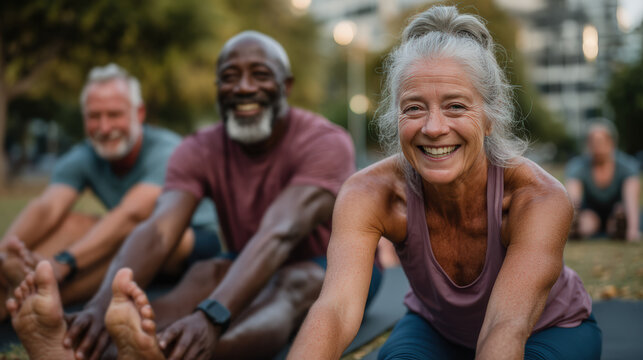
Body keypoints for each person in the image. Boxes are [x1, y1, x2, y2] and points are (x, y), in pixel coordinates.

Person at [8, 31, 377, 360]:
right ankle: (91, 345)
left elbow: (280, 232)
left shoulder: (326, 142)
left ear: (287, 85)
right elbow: (159, 230)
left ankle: (171, 355)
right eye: (229, 77)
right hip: (247, 255)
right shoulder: (197, 148)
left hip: (331, 266)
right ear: (217, 87)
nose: (244, 87)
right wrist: (99, 307)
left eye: (260, 75)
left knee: (290, 286)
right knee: (203, 273)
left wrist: (211, 317)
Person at [289, 6, 601, 360]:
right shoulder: (369, 193)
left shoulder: (537, 197)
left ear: (490, 115)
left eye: (455, 106)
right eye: (414, 108)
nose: (433, 128)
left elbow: (505, 325)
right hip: (437, 329)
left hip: (546, 330)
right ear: (395, 116)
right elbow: (335, 310)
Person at [0, 64, 218, 321]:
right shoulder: (84, 155)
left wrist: (64, 262)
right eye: (94, 116)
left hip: (189, 241)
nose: (104, 128)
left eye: (115, 115)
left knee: (123, 235)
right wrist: (5, 252)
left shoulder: (167, 151)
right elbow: (48, 207)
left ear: (139, 113)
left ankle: (32, 297)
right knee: (73, 223)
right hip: (133, 237)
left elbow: (133, 214)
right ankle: (17, 285)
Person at [565, 120, 640, 242]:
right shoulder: (577, 166)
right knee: (587, 223)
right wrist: (573, 214)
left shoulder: (628, 166)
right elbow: (574, 198)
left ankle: (620, 227)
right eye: (592, 141)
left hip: (617, 211)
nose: (596, 145)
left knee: (618, 217)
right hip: (590, 213)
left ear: (611, 142)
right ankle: (576, 229)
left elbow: (631, 201)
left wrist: (632, 231)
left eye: (600, 141)